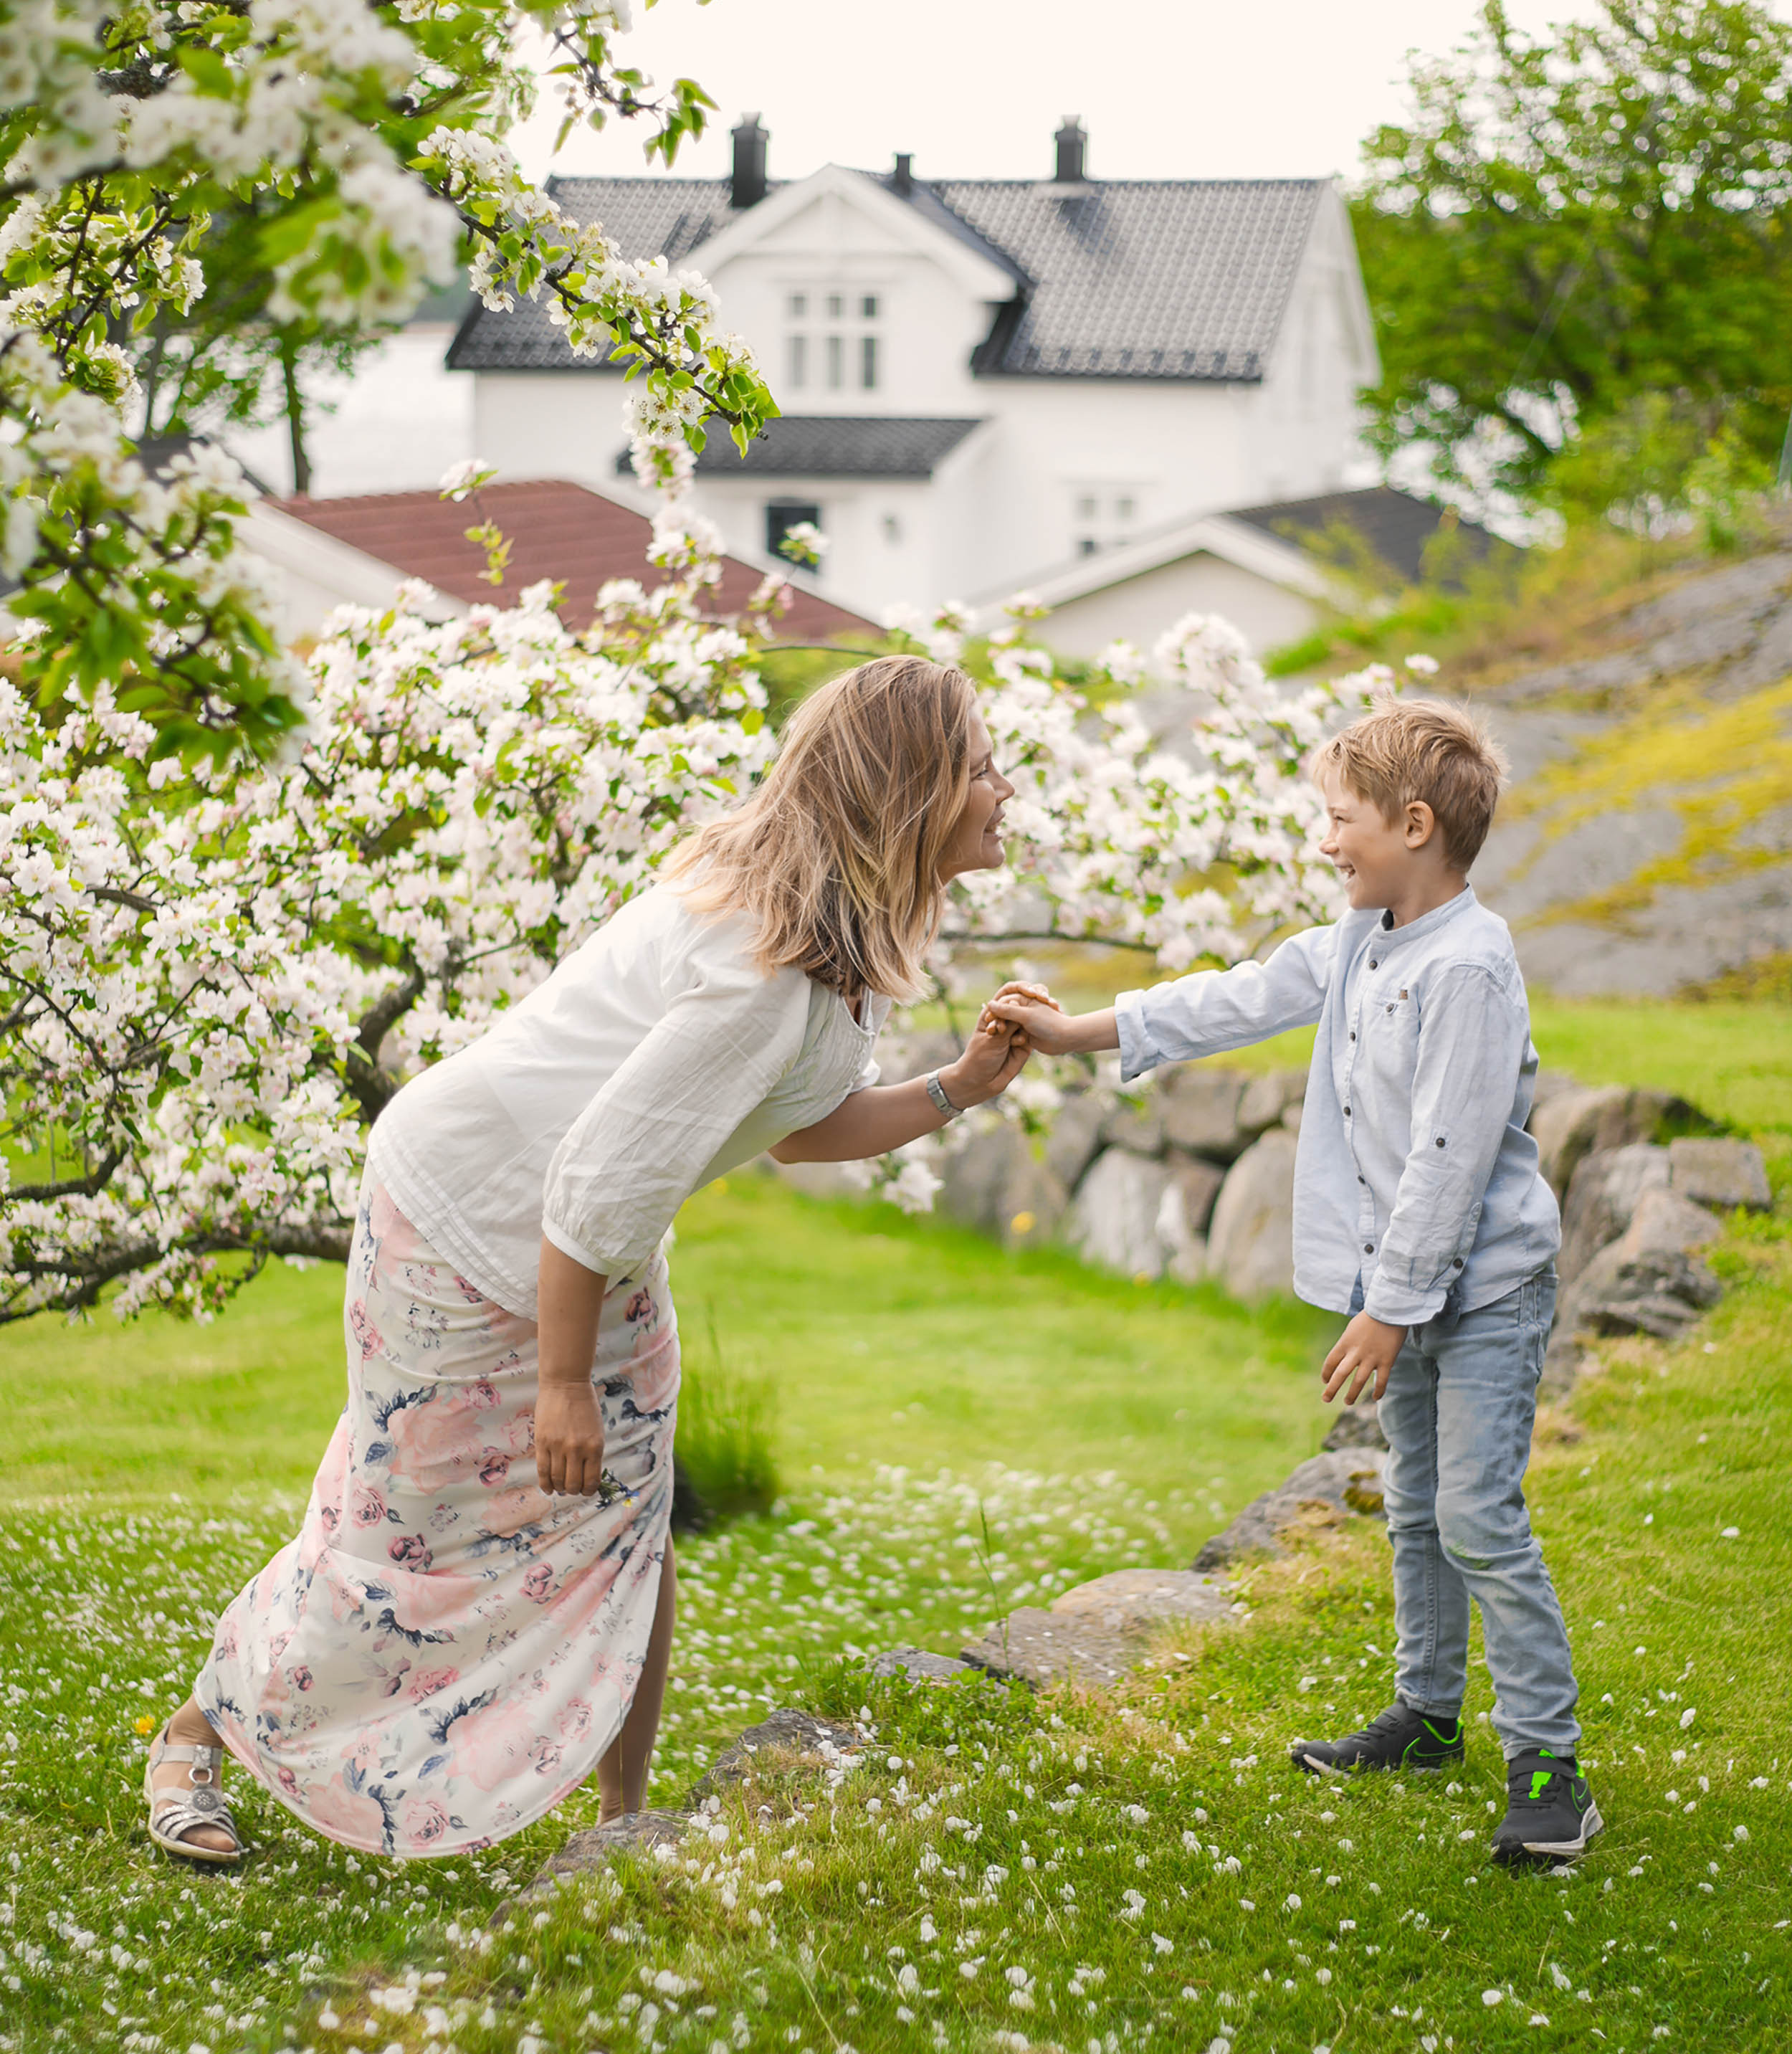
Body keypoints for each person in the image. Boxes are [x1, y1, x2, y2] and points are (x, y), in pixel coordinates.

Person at [143, 657, 1040, 1868]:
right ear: (914, 790)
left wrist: (961, 1087)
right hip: (466, 1215)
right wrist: (563, 1382)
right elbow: (594, 1181)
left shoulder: (824, 935)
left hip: (583, 1247)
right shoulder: (765, 974)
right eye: (982, 764)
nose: (1004, 786)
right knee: (404, 1523)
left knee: (632, 1512)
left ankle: (626, 1828)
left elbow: (788, 1130)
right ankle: (197, 1734)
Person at [984, 694, 1601, 1870]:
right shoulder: (1360, 940)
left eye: (1340, 819)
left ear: (1414, 824)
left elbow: (1449, 1158)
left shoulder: (1469, 966)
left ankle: (1549, 1770)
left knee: (1476, 1513)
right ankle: (1427, 1716)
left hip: (1479, 1291)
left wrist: (1387, 1306)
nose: (1324, 841)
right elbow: (1235, 994)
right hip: (1408, 1289)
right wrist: (1078, 1035)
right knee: (1417, 1506)